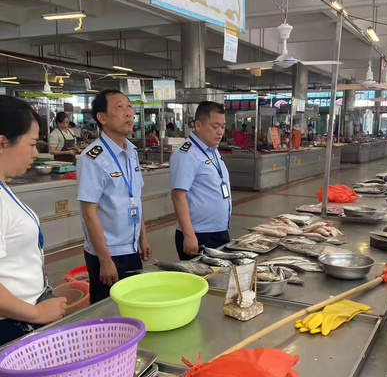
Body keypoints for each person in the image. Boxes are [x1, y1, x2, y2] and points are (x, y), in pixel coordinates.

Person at [0, 96, 67, 346]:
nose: (36, 153)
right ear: (2, 143)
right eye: (30, 144)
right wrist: (36, 313)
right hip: (11, 324)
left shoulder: (3, 187)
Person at [77, 90, 152, 303]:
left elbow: (135, 198)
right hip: (107, 254)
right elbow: (89, 214)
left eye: (129, 107)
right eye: (120, 107)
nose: (129, 113)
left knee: (133, 308)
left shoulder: (132, 152)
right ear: (102, 118)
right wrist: (105, 259)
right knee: (107, 315)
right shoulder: (92, 159)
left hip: (131, 249)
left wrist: (142, 237)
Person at [170, 101, 231, 260]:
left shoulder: (213, 150)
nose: (220, 132)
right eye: (215, 126)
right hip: (199, 235)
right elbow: (178, 196)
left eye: (223, 127)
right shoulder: (187, 154)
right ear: (198, 125)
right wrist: (189, 236)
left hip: (218, 231)